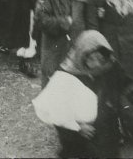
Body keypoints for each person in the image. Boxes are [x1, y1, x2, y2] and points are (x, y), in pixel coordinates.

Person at [33, 30, 124, 158]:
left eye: (100, 59)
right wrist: (77, 127)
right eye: (92, 58)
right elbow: (57, 113)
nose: (97, 63)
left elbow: (121, 94)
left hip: (106, 138)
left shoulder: (109, 68)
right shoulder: (66, 75)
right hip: (79, 142)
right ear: (83, 54)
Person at [33, 0, 88, 87]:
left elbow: (87, 15)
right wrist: (62, 22)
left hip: (76, 42)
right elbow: (40, 18)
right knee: (53, 79)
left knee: (74, 79)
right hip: (54, 45)